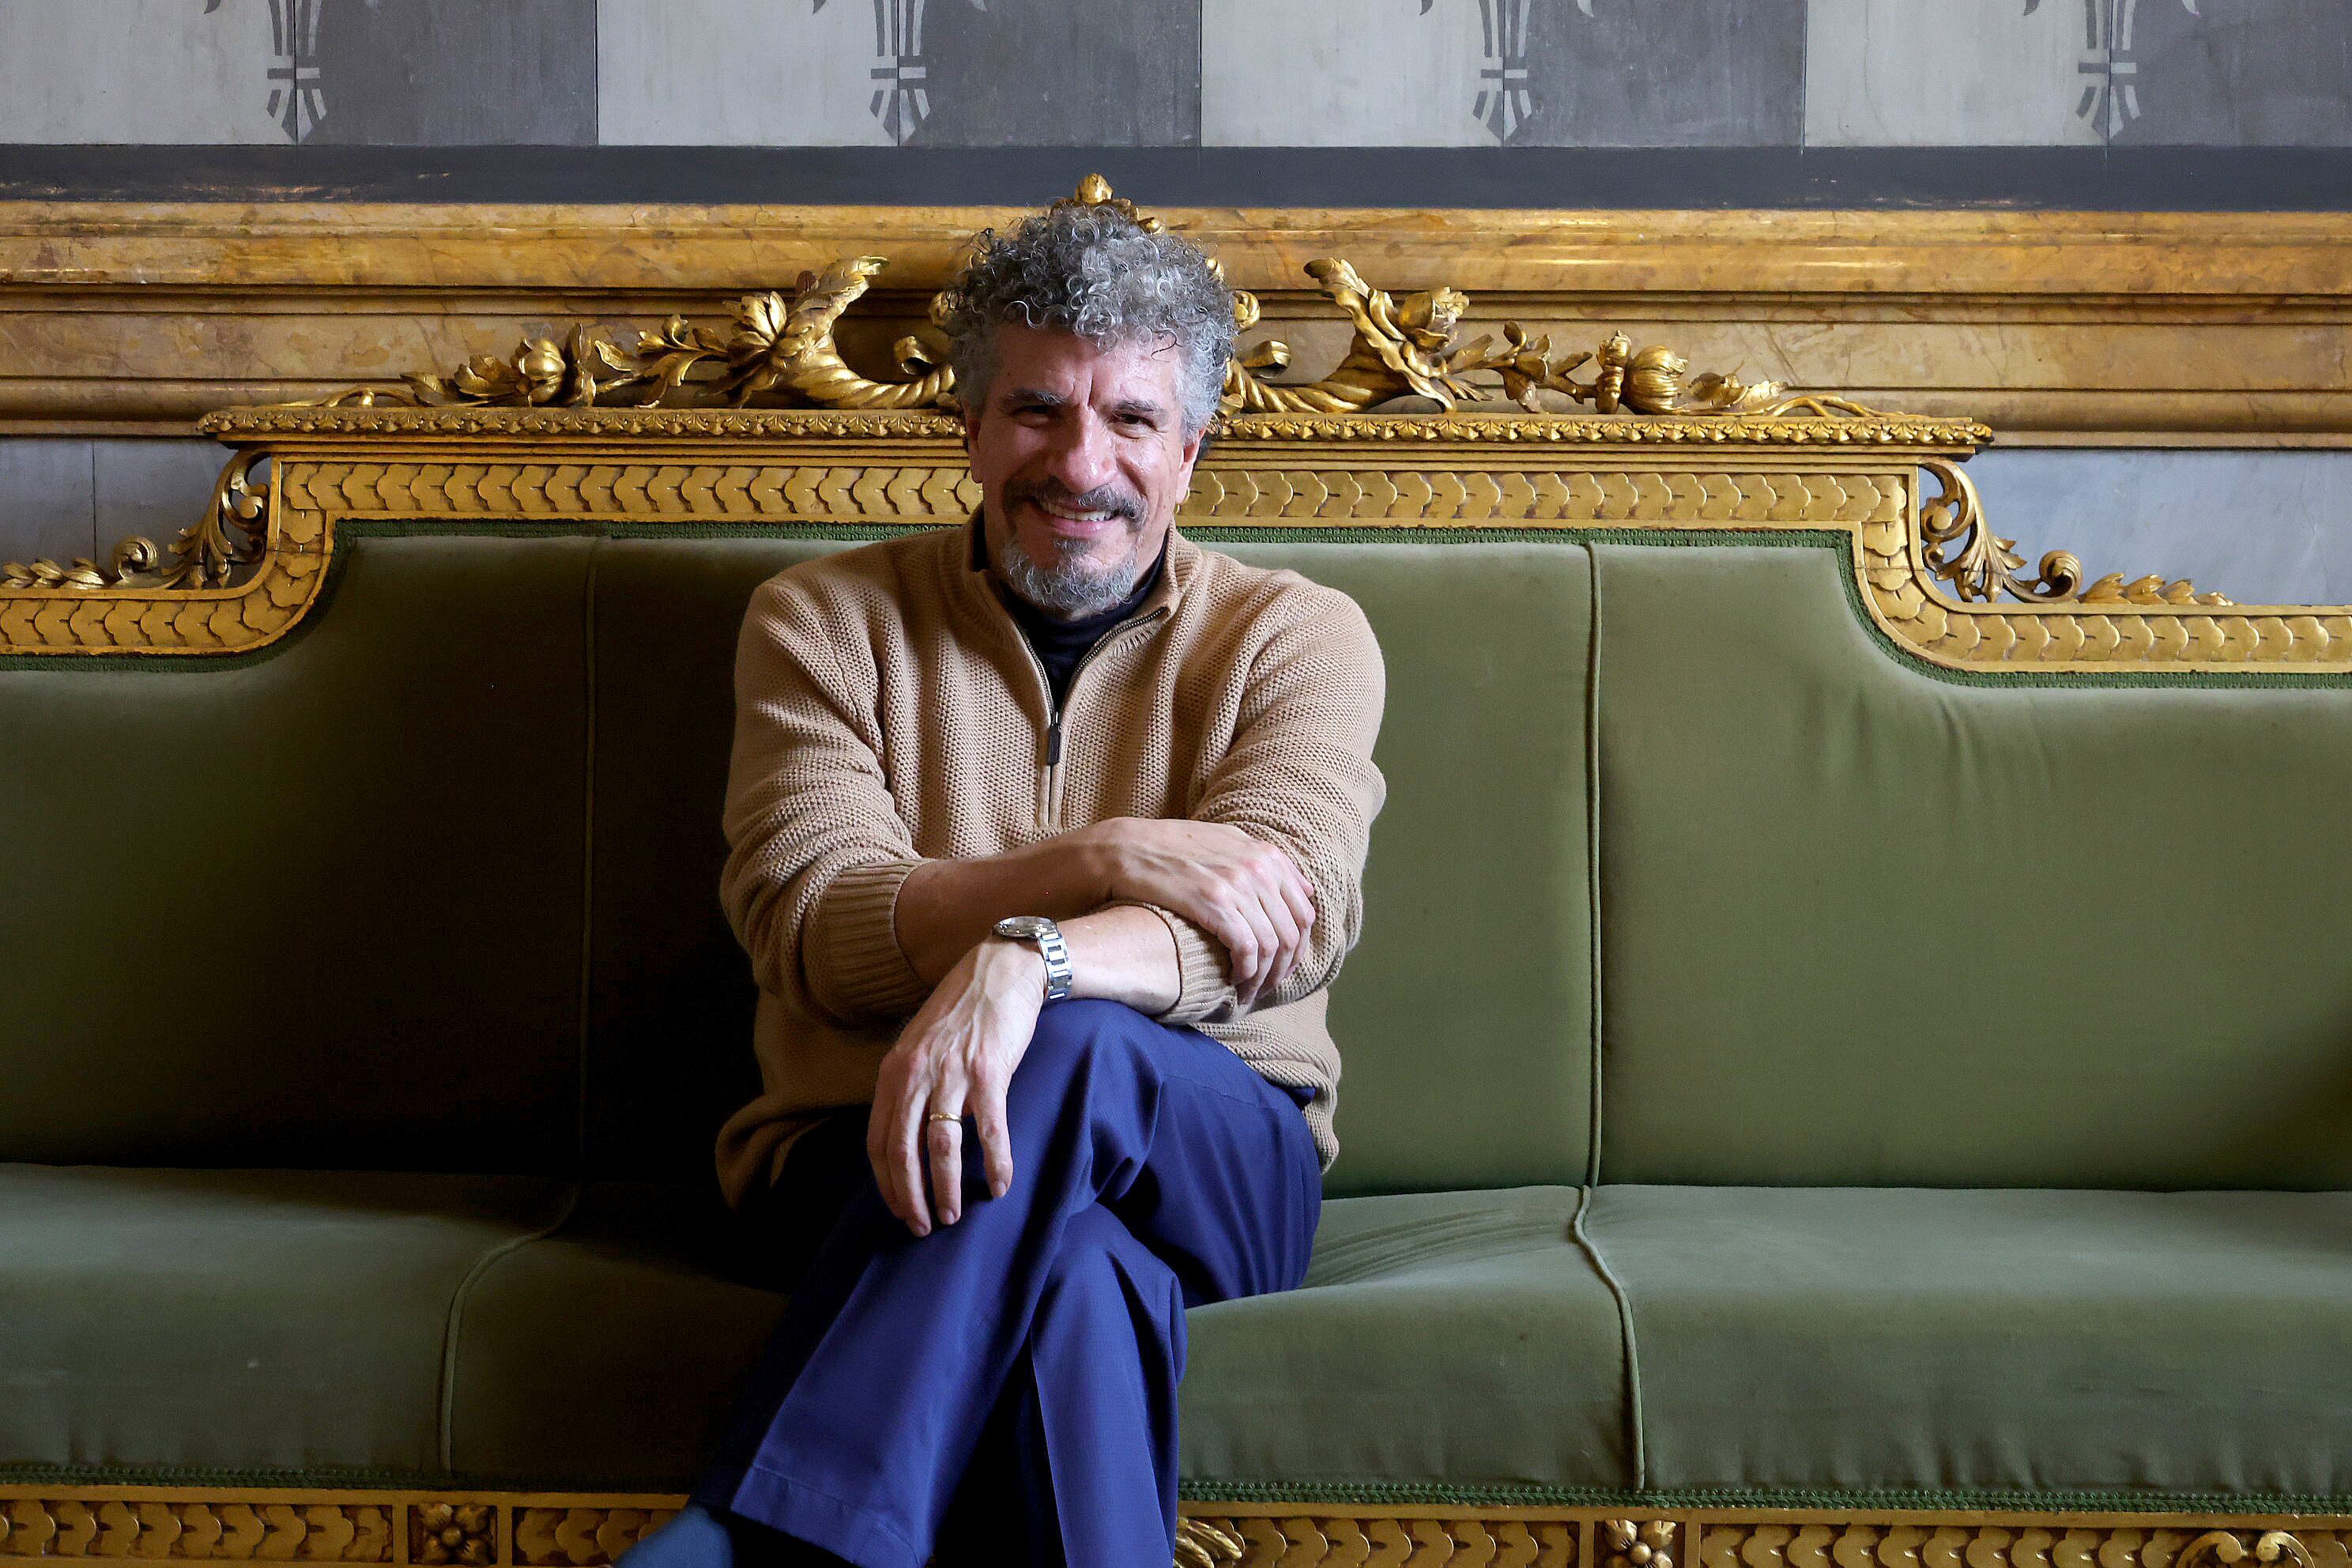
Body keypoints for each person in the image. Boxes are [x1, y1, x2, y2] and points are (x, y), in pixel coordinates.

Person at [622, 193, 1386, 1568]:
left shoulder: (1294, 636)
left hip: (1216, 1160)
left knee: (1078, 1042)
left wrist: (1027, 961)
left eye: (1132, 420)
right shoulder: (823, 622)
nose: (1081, 463)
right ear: (970, 427)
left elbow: (1281, 930)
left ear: (1190, 453)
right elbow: (814, 928)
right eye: (1038, 410)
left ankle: (761, 1539)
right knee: (1078, 1278)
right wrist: (1098, 860)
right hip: (871, 1150)